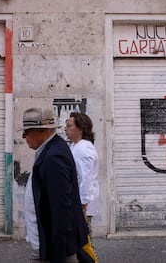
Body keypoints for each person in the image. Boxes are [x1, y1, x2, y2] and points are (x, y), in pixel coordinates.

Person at [21, 107, 89, 263]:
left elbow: (61, 208)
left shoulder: (53, 157)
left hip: (52, 246)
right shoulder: (51, 149)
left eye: (27, 132)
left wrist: (58, 254)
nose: (24, 137)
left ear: (42, 131)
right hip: (48, 243)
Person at [65, 112, 99, 262]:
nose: (65, 129)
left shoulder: (83, 149)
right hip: (78, 205)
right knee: (80, 246)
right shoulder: (76, 146)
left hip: (81, 206)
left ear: (80, 129)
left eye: (69, 126)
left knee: (84, 247)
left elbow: (86, 179)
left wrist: (83, 207)